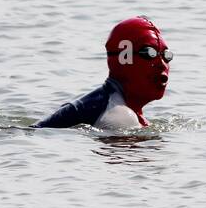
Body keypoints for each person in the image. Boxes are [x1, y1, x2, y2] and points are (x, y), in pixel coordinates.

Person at [34, 17, 171, 130]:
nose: (162, 64)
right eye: (148, 53)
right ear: (123, 57)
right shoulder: (120, 117)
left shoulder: (101, 102)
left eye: (166, 56)